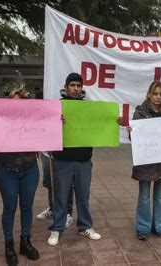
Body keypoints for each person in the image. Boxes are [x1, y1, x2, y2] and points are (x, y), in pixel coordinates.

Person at [47, 73, 105, 246]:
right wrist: (56, 122)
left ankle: (85, 226)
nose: (75, 88)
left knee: (83, 196)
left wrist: (113, 121)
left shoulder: (89, 108)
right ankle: (57, 229)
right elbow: (47, 129)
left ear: (82, 88)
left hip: (83, 160)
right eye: (72, 85)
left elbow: (101, 125)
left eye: (78, 86)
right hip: (62, 159)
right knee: (60, 197)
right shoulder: (56, 107)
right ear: (65, 87)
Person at [0, 88, 40, 265]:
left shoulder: (33, 120)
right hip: (8, 171)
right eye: (13, 101)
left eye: (21, 102)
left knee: (27, 207)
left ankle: (25, 242)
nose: (16, 106)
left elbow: (47, 130)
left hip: (30, 170)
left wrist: (56, 122)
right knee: (10, 208)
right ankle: (9, 244)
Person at [127, 80, 161, 241]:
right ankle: (143, 228)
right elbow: (134, 138)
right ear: (149, 94)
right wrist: (131, 132)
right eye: (155, 94)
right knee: (144, 196)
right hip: (146, 162)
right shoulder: (140, 113)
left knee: (160, 196)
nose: (158, 97)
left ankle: (160, 227)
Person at [36, 151, 74, 228]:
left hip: (63, 153)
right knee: (49, 182)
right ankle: (53, 209)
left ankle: (67, 213)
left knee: (65, 183)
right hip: (46, 152)